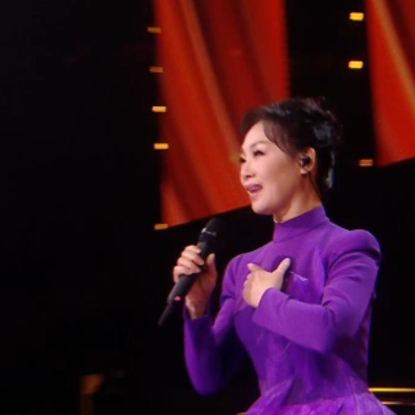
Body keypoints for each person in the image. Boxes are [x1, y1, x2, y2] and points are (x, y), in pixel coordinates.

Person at [172, 97, 395, 414]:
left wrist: (267, 299)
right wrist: (196, 309)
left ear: (305, 160)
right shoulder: (240, 268)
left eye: (258, 154)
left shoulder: (350, 245)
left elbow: (331, 331)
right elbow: (209, 379)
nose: (245, 172)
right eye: (242, 159)